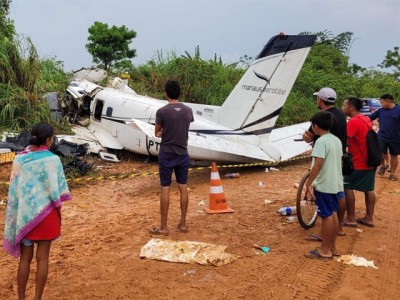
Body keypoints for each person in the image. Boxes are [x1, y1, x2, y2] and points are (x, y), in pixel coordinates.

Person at [3, 122, 72, 300]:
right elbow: (59, 190)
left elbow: (15, 192)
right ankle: (37, 298)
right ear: (49, 140)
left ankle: (20, 298)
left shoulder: (20, 159)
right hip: (47, 216)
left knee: (25, 259)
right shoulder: (53, 160)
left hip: (25, 217)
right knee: (43, 259)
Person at [302, 87, 347, 240]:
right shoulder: (341, 115)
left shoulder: (321, 120)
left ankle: (325, 242)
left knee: (327, 212)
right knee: (337, 201)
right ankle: (338, 228)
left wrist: (309, 183)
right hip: (337, 165)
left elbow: (318, 163)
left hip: (325, 169)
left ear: (320, 100)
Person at [150, 80, 194, 236]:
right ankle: (182, 224)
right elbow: (185, 127)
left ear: (166, 93)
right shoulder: (188, 111)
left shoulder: (161, 112)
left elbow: (157, 132)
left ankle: (164, 227)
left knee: (165, 188)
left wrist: (165, 132)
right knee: (183, 187)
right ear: (179, 93)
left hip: (167, 153)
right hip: (183, 153)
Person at [304, 111, 343, 259]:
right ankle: (332, 247)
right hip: (335, 183)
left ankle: (324, 250)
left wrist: (308, 183)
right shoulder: (336, 140)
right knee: (332, 213)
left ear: (315, 126)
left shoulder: (320, 142)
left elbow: (318, 164)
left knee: (326, 216)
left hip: (324, 184)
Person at [341, 98, 377, 227]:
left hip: (358, 162)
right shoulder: (365, 118)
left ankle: (350, 218)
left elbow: (344, 139)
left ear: (351, 108)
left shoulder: (353, 122)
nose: (342, 107)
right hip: (371, 160)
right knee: (369, 189)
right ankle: (369, 217)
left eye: (344, 105)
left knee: (347, 187)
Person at [369, 94, 400, 181]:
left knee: (394, 155)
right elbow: (369, 117)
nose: (381, 104)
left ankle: (393, 173)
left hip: (396, 137)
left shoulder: (399, 110)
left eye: (382, 102)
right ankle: (383, 166)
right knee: (380, 152)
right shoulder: (381, 110)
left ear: (388, 101)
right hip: (382, 136)